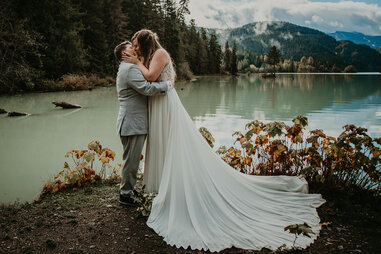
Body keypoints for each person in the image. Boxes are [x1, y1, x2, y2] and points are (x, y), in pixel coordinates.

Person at [124, 29, 325, 252]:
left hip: (167, 105)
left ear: (144, 42)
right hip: (157, 103)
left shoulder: (159, 53)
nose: (135, 48)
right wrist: (137, 62)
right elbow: (160, 78)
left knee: (173, 143)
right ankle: (161, 186)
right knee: (161, 144)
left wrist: (136, 62)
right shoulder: (145, 58)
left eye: (136, 44)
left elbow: (151, 77)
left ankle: (177, 186)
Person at [114, 41, 173, 205]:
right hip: (132, 123)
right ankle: (125, 194)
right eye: (131, 49)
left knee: (131, 159)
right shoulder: (130, 68)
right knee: (131, 161)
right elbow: (146, 88)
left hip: (132, 122)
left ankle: (129, 189)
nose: (135, 49)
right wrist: (167, 85)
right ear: (124, 55)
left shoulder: (127, 67)